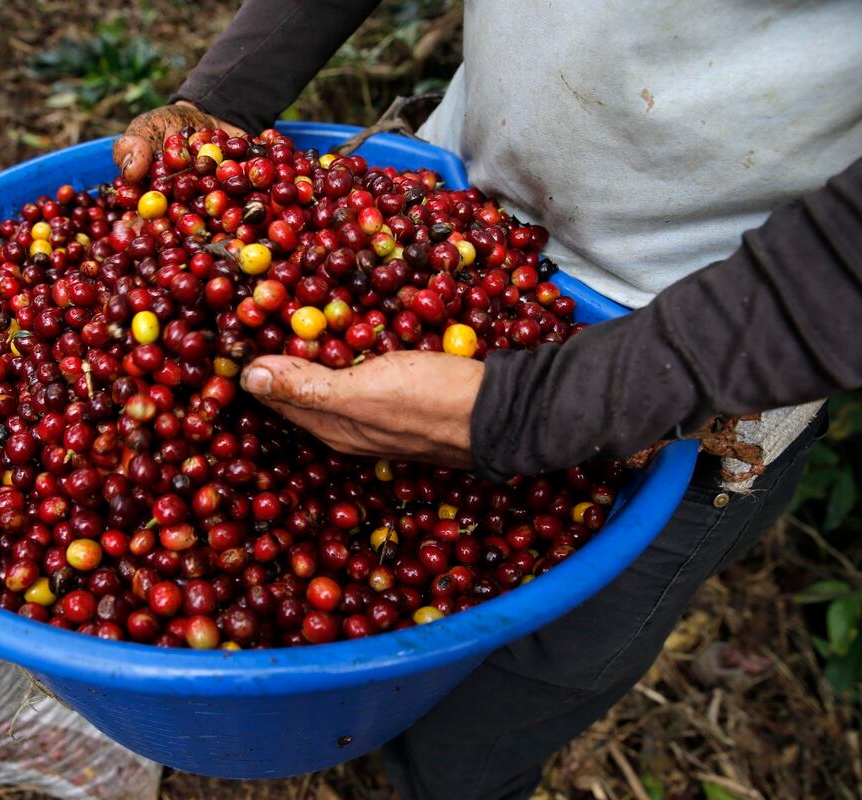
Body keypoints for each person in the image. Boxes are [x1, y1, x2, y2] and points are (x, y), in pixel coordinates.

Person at [113, 3, 862, 798]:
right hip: (451, 204)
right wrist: (226, 98)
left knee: (507, 703)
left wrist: (531, 412)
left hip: (705, 364)